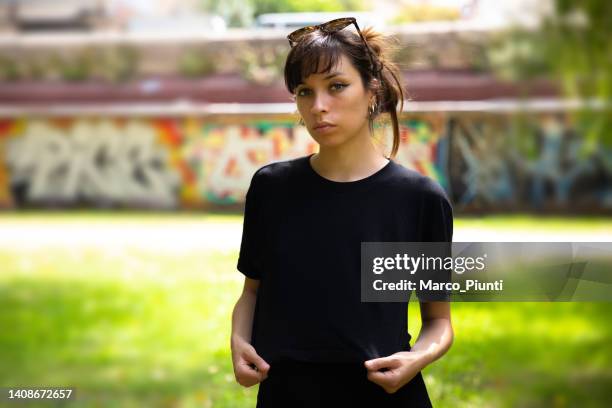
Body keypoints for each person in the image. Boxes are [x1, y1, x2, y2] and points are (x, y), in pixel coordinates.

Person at [230, 17, 454, 407]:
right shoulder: (271, 188)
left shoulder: (419, 199)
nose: (318, 107)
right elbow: (252, 290)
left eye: (337, 86)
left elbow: (438, 321)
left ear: (372, 92)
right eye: (304, 91)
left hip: (384, 396)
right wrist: (238, 339)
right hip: (286, 395)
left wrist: (417, 358)